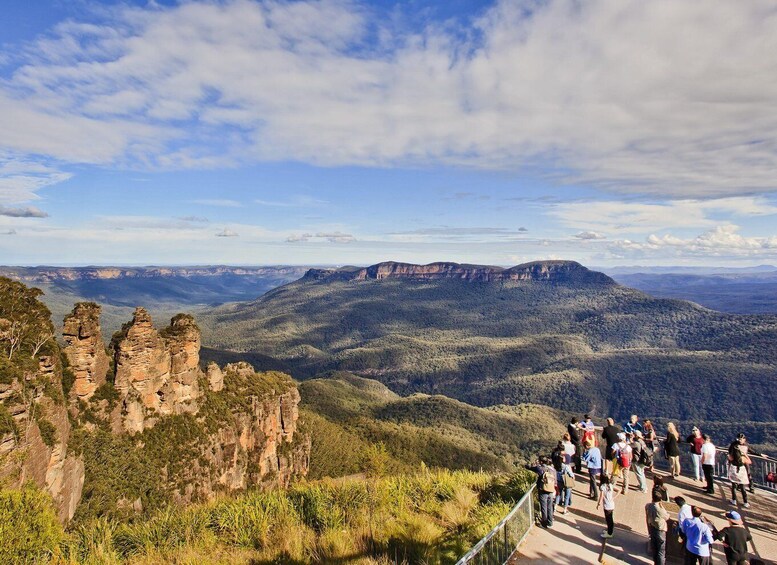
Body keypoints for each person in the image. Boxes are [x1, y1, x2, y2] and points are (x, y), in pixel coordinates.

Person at [525, 457, 556, 528]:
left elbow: (530, 468)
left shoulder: (540, 469)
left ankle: (544, 523)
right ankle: (550, 523)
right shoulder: (552, 469)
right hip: (551, 490)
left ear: (541, 462)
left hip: (543, 490)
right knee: (549, 507)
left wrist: (529, 465)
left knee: (544, 507)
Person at [645, 491, 669, 565]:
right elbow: (667, 517)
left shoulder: (649, 505)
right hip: (660, 531)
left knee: (655, 549)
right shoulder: (660, 509)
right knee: (661, 551)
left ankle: (656, 563)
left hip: (653, 528)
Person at [597, 473, 616, 539]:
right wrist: (614, 497)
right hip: (611, 504)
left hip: (607, 505)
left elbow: (601, 496)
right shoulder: (610, 485)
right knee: (610, 518)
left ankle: (609, 533)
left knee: (609, 519)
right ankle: (609, 531)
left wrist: (598, 503)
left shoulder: (603, 486)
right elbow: (618, 490)